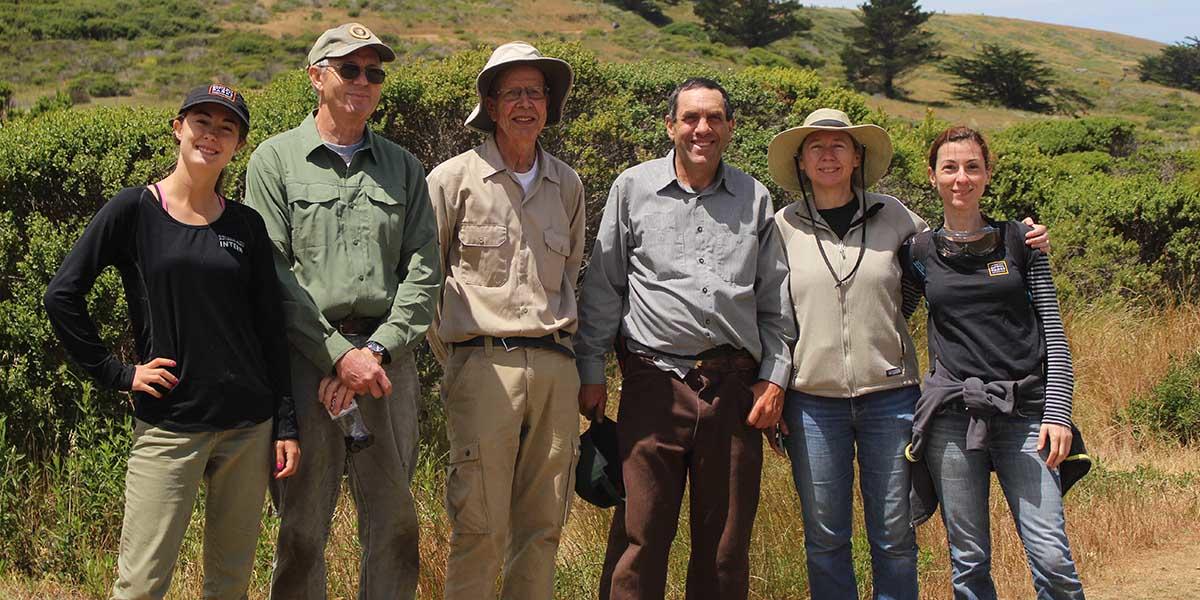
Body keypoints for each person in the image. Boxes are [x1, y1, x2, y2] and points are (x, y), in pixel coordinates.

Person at [764, 108, 1049, 600]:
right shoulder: (780, 227)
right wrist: (772, 384)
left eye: (840, 145)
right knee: (825, 536)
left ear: (857, 157)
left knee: (895, 534)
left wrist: (1022, 238)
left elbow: (951, 251)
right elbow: (770, 314)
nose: (829, 155)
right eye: (817, 146)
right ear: (802, 161)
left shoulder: (896, 217)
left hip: (892, 399)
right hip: (810, 402)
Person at [44, 83, 299, 600]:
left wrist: (285, 424)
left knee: (228, 586)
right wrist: (119, 374)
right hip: (169, 425)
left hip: (248, 430)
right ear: (177, 128)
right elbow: (61, 296)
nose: (212, 135)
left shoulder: (246, 226)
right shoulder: (134, 211)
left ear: (239, 145)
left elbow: (271, 333)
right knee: (140, 585)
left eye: (227, 127)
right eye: (202, 121)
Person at [576, 77, 796, 600]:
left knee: (724, 548)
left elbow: (775, 299)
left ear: (730, 128)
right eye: (691, 118)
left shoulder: (754, 196)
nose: (703, 128)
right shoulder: (632, 188)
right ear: (671, 126)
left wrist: (775, 377)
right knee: (641, 536)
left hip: (735, 390)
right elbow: (605, 284)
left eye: (715, 118)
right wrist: (590, 371)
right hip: (653, 384)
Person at [243, 23, 440, 600]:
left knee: (396, 525)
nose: (362, 81)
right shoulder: (274, 161)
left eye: (373, 72)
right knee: (301, 529)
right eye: (348, 68)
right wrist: (337, 356)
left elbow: (423, 270)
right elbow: (271, 276)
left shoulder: (403, 167)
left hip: (387, 366)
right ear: (316, 77)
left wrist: (373, 352)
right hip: (306, 366)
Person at [425, 41, 585, 600]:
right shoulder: (450, 181)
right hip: (482, 369)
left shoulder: (568, 184)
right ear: (490, 106)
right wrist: (462, 360)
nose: (525, 104)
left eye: (535, 92)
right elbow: (424, 283)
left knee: (543, 528)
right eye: (512, 92)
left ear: (549, 104)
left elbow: (569, 275)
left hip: (556, 370)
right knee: (478, 529)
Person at [902, 126, 1085, 600]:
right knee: (969, 560)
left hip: (1026, 414)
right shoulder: (919, 252)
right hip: (952, 417)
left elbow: (1054, 334)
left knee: (1050, 555)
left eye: (972, 167)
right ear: (932, 176)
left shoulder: (1021, 241)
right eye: (949, 167)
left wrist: (1058, 413)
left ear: (987, 174)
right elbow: (890, 318)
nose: (961, 178)